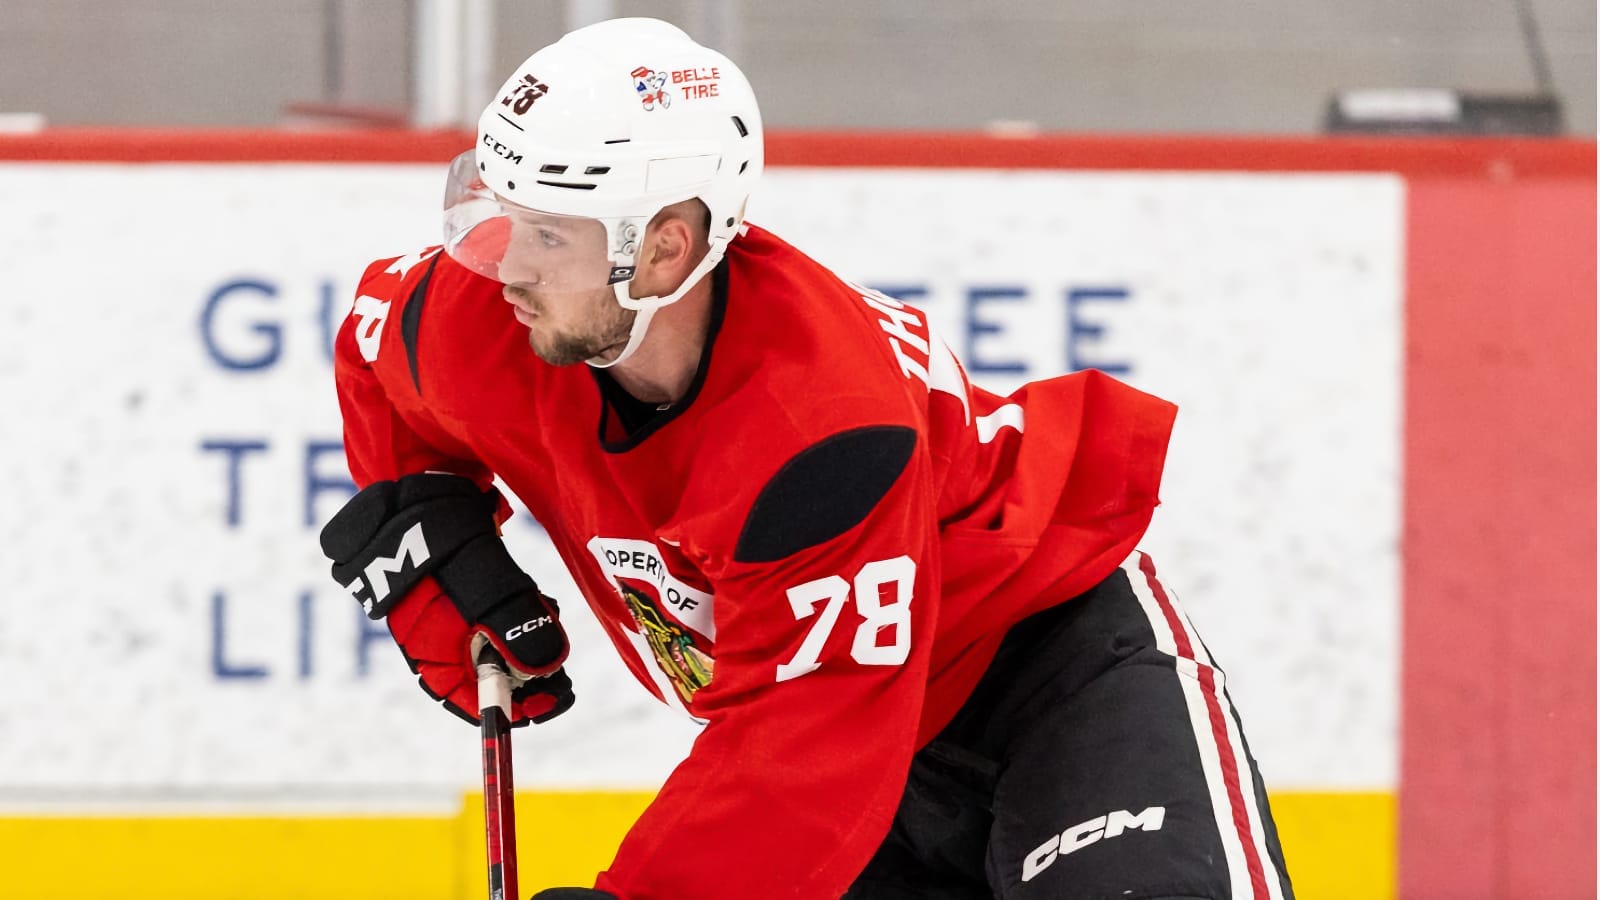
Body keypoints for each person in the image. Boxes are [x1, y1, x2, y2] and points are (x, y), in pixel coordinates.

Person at [318, 17, 1294, 900]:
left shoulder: (819, 427)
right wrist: (429, 519)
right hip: (859, 758)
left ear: (662, 249)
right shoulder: (479, 318)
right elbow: (375, 351)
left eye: (546, 233)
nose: (506, 266)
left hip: (1050, 681)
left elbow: (804, 742)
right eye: (499, 218)